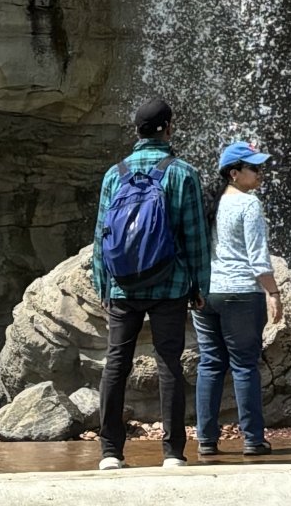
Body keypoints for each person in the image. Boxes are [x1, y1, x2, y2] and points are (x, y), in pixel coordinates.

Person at [91, 95, 211, 472]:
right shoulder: (182, 173)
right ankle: (173, 453)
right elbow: (196, 237)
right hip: (170, 285)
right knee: (168, 364)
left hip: (124, 286)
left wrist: (103, 285)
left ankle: (110, 452)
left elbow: (101, 235)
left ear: (136, 131)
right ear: (169, 128)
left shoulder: (115, 174)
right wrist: (199, 286)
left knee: (115, 364)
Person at [194, 141, 283, 459]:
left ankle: (205, 440)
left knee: (210, 364)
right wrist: (273, 292)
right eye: (254, 168)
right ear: (234, 173)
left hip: (207, 294)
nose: (260, 173)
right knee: (245, 366)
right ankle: (253, 440)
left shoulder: (209, 203)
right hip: (241, 294)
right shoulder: (248, 204)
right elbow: (258, 259)